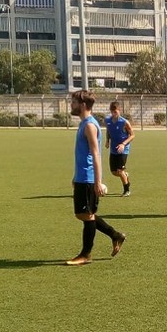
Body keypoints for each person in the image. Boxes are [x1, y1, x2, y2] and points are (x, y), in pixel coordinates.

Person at [66, 90, 126, 266]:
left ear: (83, 105)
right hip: (82, 176)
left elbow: (96, 154)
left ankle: (86, 254)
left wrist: (98, 182)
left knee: (87, 214)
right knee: (83, 214)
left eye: (74, 102)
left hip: (88, 178)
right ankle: (115, 235)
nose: (71, 105)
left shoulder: (90, 126)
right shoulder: (84, 123)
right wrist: (75, 176)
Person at [105, 101, 135, 198]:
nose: (114, 114)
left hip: (123, 149)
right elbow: (108, 130)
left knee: (119, 171)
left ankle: (127, 190)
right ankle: (125, 175)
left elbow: (132, 135)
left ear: (119, 110)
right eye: (112, 112)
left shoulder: (124, 122)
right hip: (113, 149)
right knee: (114, 172)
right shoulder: (108, 121)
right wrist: (107, 140)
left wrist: (123, 144)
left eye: (116, 112)